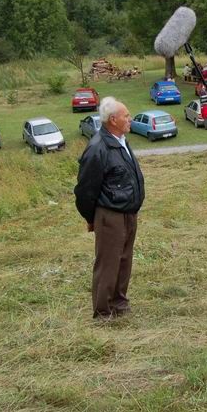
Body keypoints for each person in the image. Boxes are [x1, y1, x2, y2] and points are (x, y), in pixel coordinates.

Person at [75, 97, 145, 320]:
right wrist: (92, 218)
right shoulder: (98, 147)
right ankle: (103, 311)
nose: (130, 119)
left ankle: (119, 303)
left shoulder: (121, 140)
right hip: (110, 215)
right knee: (108, 263)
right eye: (126, 116)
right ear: (113, 120)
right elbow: (85, 190)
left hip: (129, 213)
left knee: (124, 260)